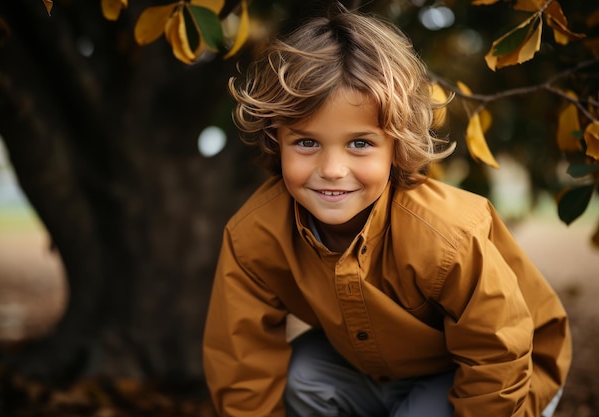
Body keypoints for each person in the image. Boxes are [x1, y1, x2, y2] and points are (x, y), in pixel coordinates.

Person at [203, 5, 571, 417]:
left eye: (360, 143)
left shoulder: (445, 237)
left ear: (396, 147)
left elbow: (497, 354)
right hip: (379, 369)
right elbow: (242, 362)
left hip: (499, 373)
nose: (332, 171)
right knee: (301, 373)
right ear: (277, 140)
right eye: (306, 143)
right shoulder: (254, 235)